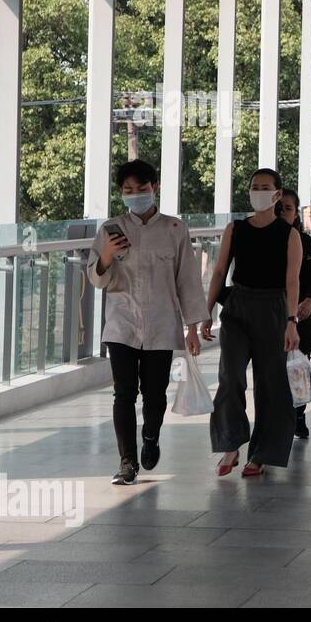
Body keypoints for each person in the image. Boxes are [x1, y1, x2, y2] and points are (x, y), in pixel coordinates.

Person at [87, 160, 207, 485]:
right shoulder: (110, 229)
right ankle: (127, 462)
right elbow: (97, 279)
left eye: (141, 189)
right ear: (121, 193)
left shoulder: (175, 229)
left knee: (155, 394)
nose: (135, 195)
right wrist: (107, 256)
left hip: (162, 324)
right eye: (128, 191)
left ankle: (150, 436)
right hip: (121, 325)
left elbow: (188, 280)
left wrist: (193, 326)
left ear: (154, 188)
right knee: (123, 393)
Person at [203, 169, 301, 477]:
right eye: (254, 187)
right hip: (238, 307)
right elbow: (220, 272)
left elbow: (292, 280)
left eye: (265, 187)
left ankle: (260, 453)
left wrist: (291, 320)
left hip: (273, 308)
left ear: (277, 194)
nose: (258, 192)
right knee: (230, 377)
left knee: (270, 385)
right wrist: (204, 311)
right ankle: (231, 443)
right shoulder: (236, 229)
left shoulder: (289, 234)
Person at [279, 189, 311, 440]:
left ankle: (298, 414)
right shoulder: (259, 242)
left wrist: (309, 301)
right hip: (269, 318)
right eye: (278, 207)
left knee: (297, 366)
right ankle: (276, 417)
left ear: (296, 213)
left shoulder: (306, 243)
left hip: (299, 318)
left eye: (287, 208)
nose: (282, 212)